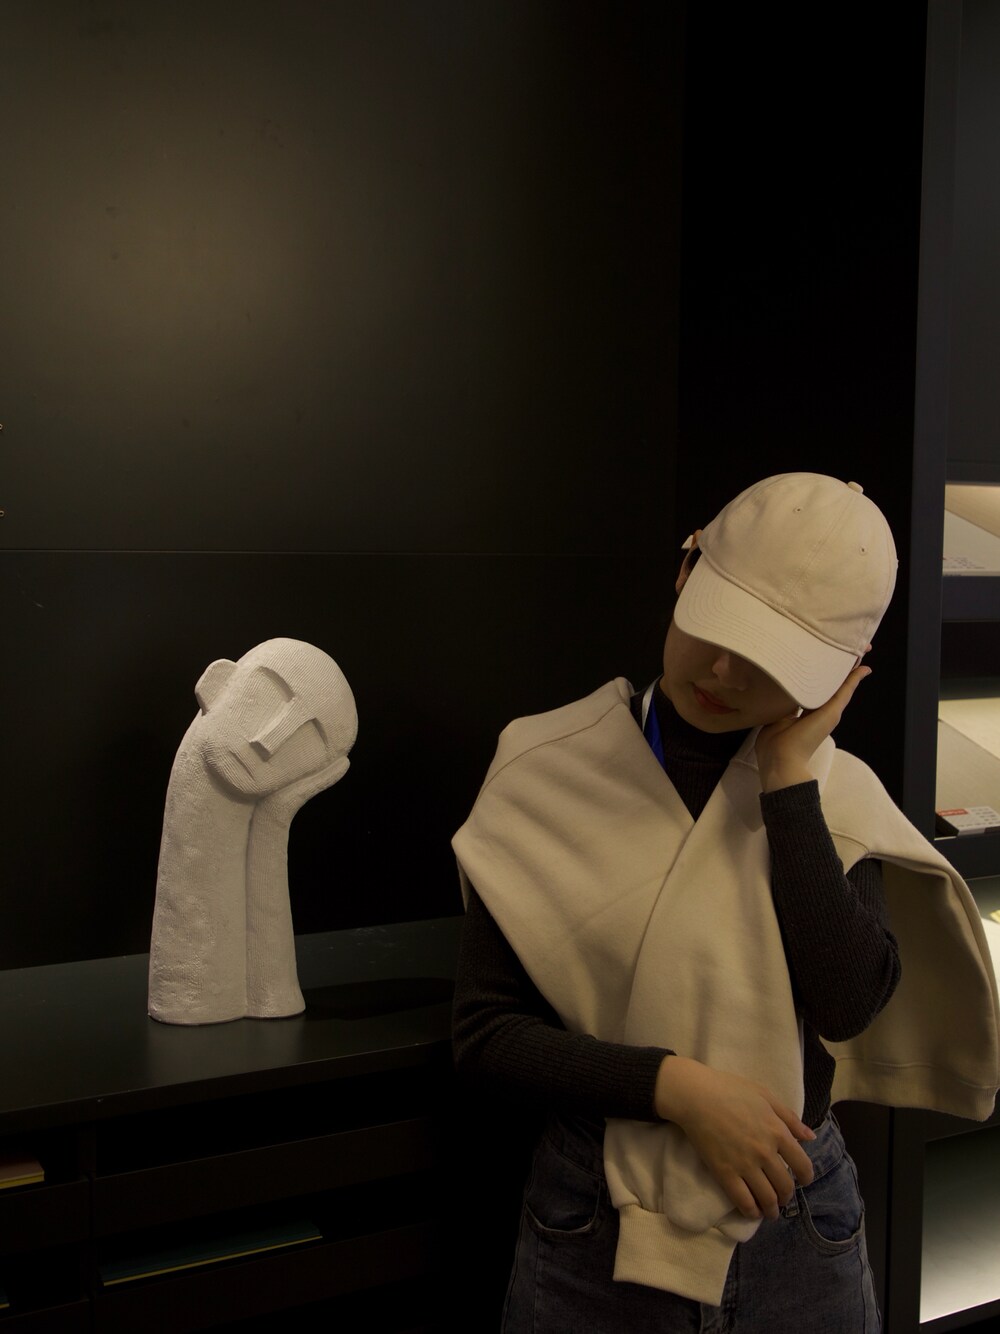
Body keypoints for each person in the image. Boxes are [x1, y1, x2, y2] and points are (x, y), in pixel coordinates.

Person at [452, 474, 999, 1333]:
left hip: (799, 1216)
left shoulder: (834, 794)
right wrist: (680, 1089)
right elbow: (486, 1035)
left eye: (773, 658)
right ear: (685, 569)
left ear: (846, 672)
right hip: (594, 1209)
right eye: (718, 627)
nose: (723, 671)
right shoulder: (544, 765)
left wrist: (787, 785)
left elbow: (848, 1004)